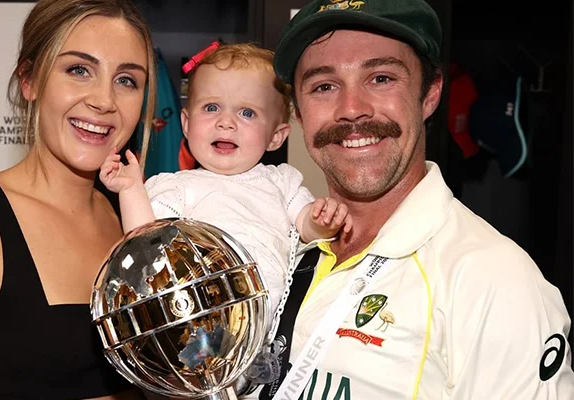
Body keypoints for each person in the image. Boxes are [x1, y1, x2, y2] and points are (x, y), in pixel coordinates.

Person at [242, 0, 574, 399]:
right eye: (324, 86)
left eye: (381, 78)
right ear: (297, 110)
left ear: (430, 94)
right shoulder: (278, 240)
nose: (352, 110)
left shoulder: (493, 277)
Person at [0, 0, 157, 398]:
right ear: (29, 80)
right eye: (79, 70)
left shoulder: (133, 222)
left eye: (126, 80)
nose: (104, 101)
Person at [99, 43, 352, 325]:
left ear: (276, 137)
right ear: (186, 123)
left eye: (247, 113)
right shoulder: (176, 187)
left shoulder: (282, 182)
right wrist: (131, 189)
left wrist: (322, 222)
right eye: (211, 107)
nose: (226, 122)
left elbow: (306, 225)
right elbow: (145, 245)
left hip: (272, 328)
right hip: (197, 320)